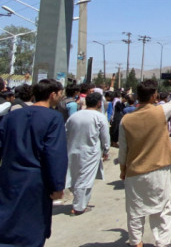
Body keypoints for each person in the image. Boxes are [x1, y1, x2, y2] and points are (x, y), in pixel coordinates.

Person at [118, 73, 171, 247]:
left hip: (135, 171)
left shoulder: (126, 120)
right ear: (154, 95)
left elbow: (123, 149)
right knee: (163, 209)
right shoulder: (160, 112)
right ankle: (163, 243)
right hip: (159, 169)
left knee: (135, 210)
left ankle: (135, 242)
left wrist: (123, 170)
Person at [0, 79, 68, 247]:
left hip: (8, 178)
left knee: (7, 222)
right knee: (32, 227)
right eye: (60, 94)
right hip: (36, 182)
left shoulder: (11, 116)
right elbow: (54, 154)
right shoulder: (53, 118)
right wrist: (57, 186)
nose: (61, 97)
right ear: (53, 94)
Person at [65, 91, 110, 215]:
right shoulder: (99, 117)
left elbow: (66, 132)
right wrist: (106, 150)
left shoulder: (74, 116)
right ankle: (79, 206)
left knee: (74, 176)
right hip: (90, 152)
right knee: (85, 179)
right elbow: (105, 136)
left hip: (72, 150)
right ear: (99, 103)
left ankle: (79, 200)